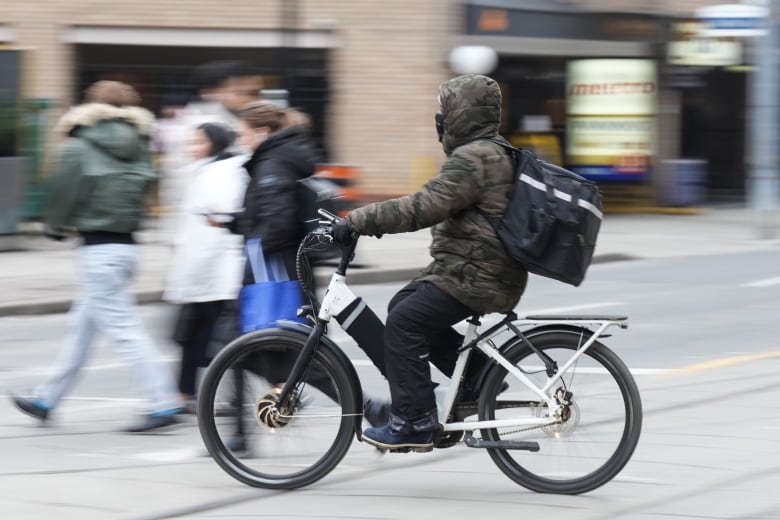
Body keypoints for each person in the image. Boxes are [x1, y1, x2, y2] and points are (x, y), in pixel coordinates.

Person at [331, 74, 528, 451]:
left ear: (461, 114)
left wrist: (357, 220)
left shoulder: (474, 158)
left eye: (444, 110)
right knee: (404, 305)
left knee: (405, 322)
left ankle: (414, 420)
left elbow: (422, 207)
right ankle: (477, 377)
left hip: (477, 275)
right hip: (479, 270)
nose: (439, 118)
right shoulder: (492, 150)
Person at [11, 80, 183, 433]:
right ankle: (47, 399)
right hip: (127, 247)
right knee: (81, 329)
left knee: (125, 330)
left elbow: (63, 190)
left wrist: (55, 227)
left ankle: (162, 400)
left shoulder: (79, 144)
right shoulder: (140, 143)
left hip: (99, 252)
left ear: (91, 105)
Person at [163, 122, 248, 412]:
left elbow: (216, 224)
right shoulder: (205, 171)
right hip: (203, 273)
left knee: (225, 339)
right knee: (192, 335)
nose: (192, 148)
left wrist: (193, 272)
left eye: (198, 142)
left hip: (216, 272)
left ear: (215, 143)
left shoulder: (222, 173)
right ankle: (185, 394)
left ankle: (266, 391)